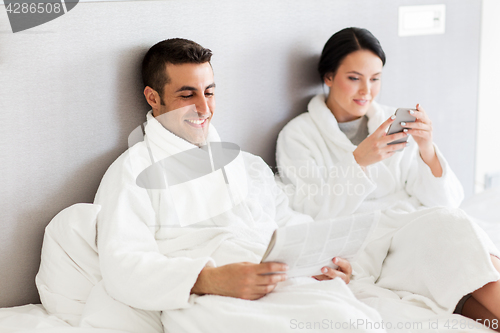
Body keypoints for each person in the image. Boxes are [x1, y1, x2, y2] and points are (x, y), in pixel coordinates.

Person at [89, 38, 386, 333]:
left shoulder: (246, 164)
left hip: (282, 280)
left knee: (355, 320)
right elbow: (122, 266)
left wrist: (323, 263)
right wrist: (209, 279)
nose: (204, 108)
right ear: (153, 98)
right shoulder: (133, 171)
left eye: (209, 92)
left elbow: (288, 223)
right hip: (211, 298)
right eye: (186, 95)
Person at [275, 27, 500, 328]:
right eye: (354, 78)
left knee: (458, 244)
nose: (366, 91)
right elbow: (310, 210)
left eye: (375, 79)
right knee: (456, 243)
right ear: (328, 77)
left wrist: (427, 149)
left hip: (416, 226)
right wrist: (358, 162)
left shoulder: (389, 122)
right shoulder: (299, 136)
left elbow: (446, 200)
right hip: (369, 244)